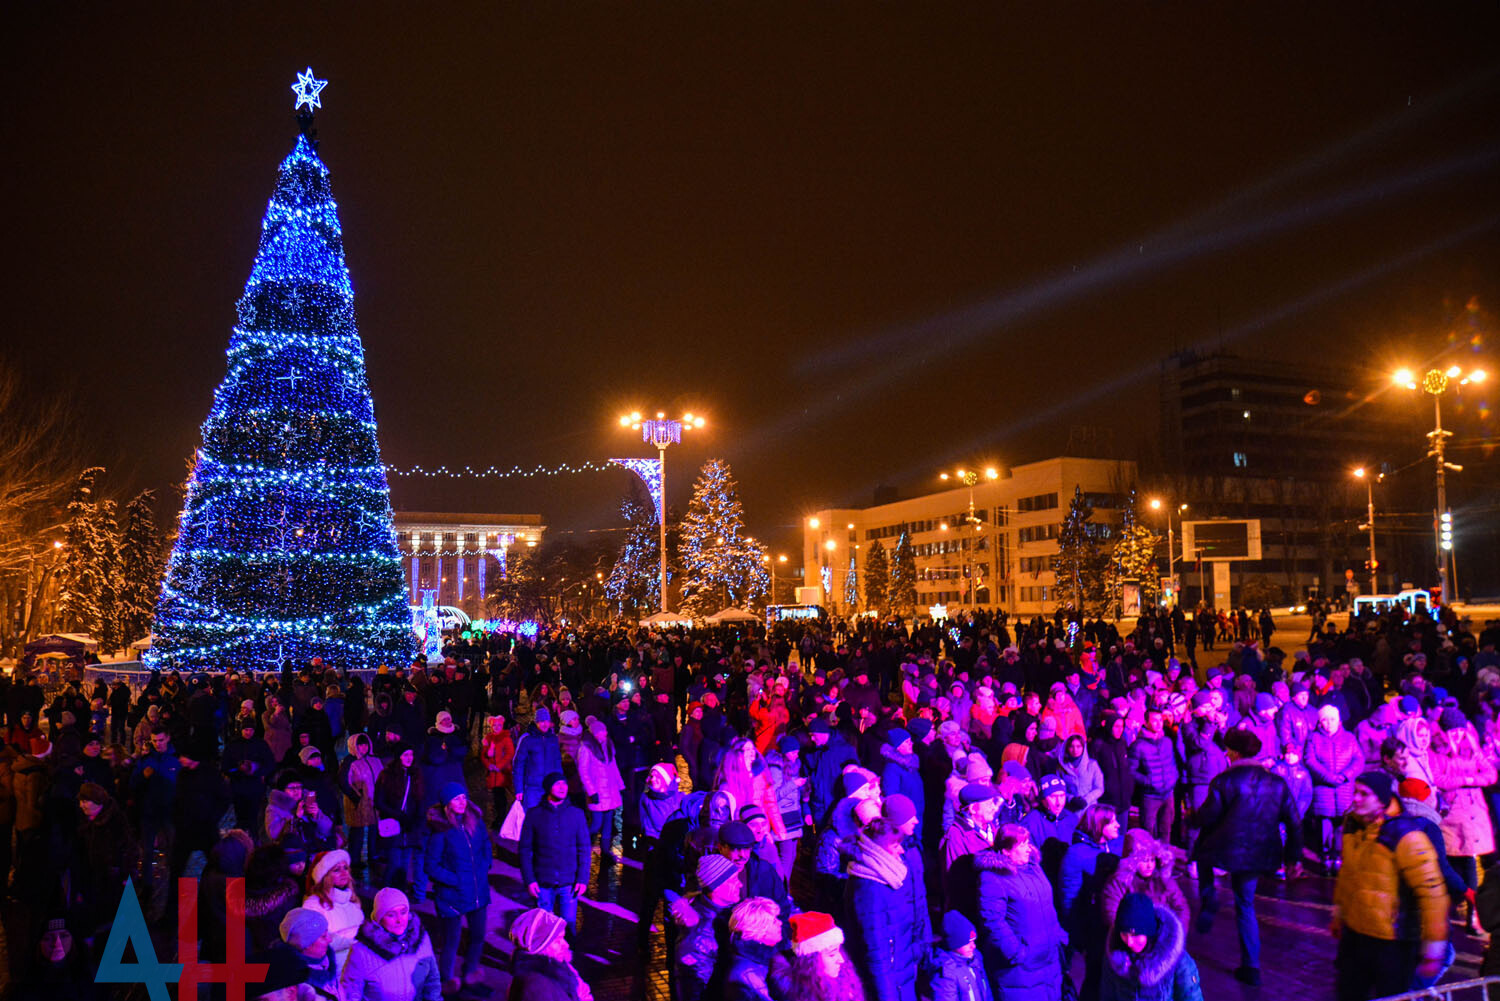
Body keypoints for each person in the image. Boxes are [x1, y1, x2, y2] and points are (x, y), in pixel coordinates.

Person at [1190, 728, 1302, 987]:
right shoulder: (1276, 782)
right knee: (1245, 904)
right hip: (1260, 852)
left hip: (1225, 848)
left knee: (1201, 854)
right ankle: (1251, 966)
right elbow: (1294, 822)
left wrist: (1191, 817)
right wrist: (1293, 857)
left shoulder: (1224, 781)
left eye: (1228, 749)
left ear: (1235, 753)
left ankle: (1209, 897)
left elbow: (1208, 816)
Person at [1332, 772, 1450, 1000]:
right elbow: (1348, 875)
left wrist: (1434, 948)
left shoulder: (1406, 835)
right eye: (1355, 792)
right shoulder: (1353, 826)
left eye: (1364, 794)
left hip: (1393, 943)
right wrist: (1340, 914)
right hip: (1356, 935)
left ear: (1383, 800)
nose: (1355, 798)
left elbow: (1432, 894)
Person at [975, 825, 1065, 1001]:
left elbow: (1048, 906)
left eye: (1027, 843)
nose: (1028, 849)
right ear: (1006, 851)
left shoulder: (1034, 868)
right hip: (1020, 968)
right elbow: (993, 922)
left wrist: (1059, 936)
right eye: (1021, 845)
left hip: (1048, 960)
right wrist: (1016, 952)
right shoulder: (993, 878)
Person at [844, 819, 928, 1001]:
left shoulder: (891, 876)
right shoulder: (869, 888)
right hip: (891, 983)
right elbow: (876, 951)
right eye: (896, 845)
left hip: (902, 972)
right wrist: (887, 995)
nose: (902, 851)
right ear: (879, 849)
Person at [425, 781, 492, 991]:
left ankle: (470, 977)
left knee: (478, 937)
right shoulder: (441, 830)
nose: (462, 802)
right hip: (452, 897)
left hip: (477, 892)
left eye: (463, 797)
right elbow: (431, 865)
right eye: (456, 798)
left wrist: (484, 866)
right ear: (447, 804)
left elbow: (486, 846)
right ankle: (447, 982)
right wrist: (456, 880)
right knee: (451, 943)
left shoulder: (476, 822)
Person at [518, 772, 590, 935]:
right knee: (544, 928)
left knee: (569, 925)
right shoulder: (534, 815)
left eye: (564, 783)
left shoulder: (576, 814)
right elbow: (525, 850)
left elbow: (584, 848)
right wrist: (529, 880)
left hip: (569, 883)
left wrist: (582, 878)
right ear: (548, 788)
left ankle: (568, 957)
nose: (562, 787)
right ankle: (546, 960)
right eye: (557, 784)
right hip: (543, 883)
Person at [341, 887, 442, 1001]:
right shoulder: (361, 952)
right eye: (391, 915)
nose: (399, 920)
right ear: (379, 919)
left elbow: (432, 979)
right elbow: (351, 993)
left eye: (403, 912)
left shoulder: (421, 939)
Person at [1100, 892, 1203, 1001]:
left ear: (1149, 931)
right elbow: (1108, 996)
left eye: (1135, 935)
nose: (1129, 941)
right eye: (1124, 934)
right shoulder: (1114, 958)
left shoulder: (1180, 963)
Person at [675, 854, 743, 1001]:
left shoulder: (729, 911)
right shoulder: (697, 941)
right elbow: (693, 993)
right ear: (715, 889)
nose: (740, 884)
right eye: (733, 881)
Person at [1305, 704, 1363, 872]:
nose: (1329, 723)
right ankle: (1325, 856)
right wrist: (1328, 777)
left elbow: (1358, 760)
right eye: (1325, 719)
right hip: (1324, 790)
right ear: (1319, 722)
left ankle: (1338, 855)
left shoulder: (1350, 738)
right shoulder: (1313, 738)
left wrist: (1345, 775)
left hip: (1344, 788)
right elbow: (1310, 760)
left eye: (1332, 719)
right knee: (1325, 824)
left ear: (1339, 720)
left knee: (1342, 824)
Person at [506, 907, 594, 1001]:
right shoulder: (537, 989)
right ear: (540, 947)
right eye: (557, 941)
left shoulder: (557, 963)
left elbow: (583, 991)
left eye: (563, 938)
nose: (566, 945)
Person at [302, 849, 363, 974]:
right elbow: (314, 942)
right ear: (325, 877)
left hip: (358, 964)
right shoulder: (313, 905)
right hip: (332, 968)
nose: (343, 873)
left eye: (345, 868)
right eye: (336, 870)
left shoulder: (353, 900)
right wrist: (355, 943)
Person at [575, 718, 626, 865]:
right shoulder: (586, 748)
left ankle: (605, 851)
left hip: (609, 791)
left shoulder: (608, 745)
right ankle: (583, 845)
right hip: (597, 791)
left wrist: (620, 785)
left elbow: (613, 767)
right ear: (595, 734)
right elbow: (583, 771)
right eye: (601, 732)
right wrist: (591, 791)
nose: (604, 734)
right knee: (596, 823)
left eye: (605, 732)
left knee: (608, 823)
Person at [785, 910, 865, 1001]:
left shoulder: (844, 983)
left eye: (839, 951)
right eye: (831, 954)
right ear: (811, 962)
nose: (841, 960)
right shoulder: (800, 995)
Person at [719, 897, 787, 1001]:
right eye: (774, 921)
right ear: (758, 929)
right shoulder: (746, 975)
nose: (780, 923)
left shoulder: (769, 959)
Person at [339, 734, 383, 870]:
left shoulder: (375, 760)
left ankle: (373, 855)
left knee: (374, 828)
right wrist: (356, 797)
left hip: (374, 800)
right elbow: (343, 782)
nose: (363, 748)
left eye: (365, 744)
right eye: (360, 745)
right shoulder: (349, 761)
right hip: (358, 803)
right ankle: (355, 860)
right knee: (357, 831)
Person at [278, 907, 339, 1001]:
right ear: (306, 944)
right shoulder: (295, 982)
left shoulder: (328, 962)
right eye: (323, 936)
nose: (330, 939)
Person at [930, 910, 992, 1001]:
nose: (973, 946)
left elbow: (986, 992)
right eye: (967, 943)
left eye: (974, 941)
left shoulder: (975, 959)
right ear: (955, 944)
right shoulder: (947, 972)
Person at [512, 709, 563, 810]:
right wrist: (519, 789)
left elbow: (557, 763)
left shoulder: (553, 739)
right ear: (536, 722)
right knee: (531, 818)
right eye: (541, 721)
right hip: (532, 788)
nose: (545, 724)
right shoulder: (527, 740)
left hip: (549, 787)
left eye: (547, 721)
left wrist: (560, 785)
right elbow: (519, 765)